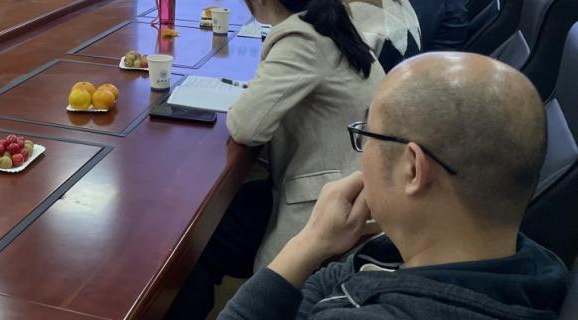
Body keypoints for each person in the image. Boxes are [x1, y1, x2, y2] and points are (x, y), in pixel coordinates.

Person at [217, 52, 569, 320]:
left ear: (413, 169)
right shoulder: (531, 266)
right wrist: (318, 242)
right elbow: (329, 285)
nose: (362, 151)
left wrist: (307, 241)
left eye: (367, 134)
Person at [167, 0, 383, 319]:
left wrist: (247, 99)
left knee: (192, 241)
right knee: (205, 232)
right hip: (357, 180)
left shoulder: (300, 37)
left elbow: (246, 126)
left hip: (330, 200)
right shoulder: (326, 18)